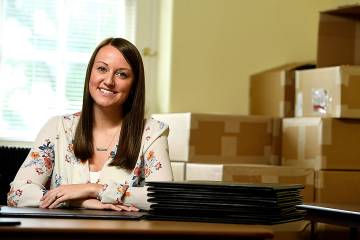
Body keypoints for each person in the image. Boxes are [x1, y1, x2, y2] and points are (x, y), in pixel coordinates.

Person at [7, 37, 173, 211]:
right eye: (102, 69)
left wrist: (94, 190)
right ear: (90, 74)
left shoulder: (151, 132)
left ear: (134, 86)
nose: (109, 81)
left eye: (121, 74)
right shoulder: (57, 128)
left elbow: (164, 198)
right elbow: (18, 193)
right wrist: (77, 201)